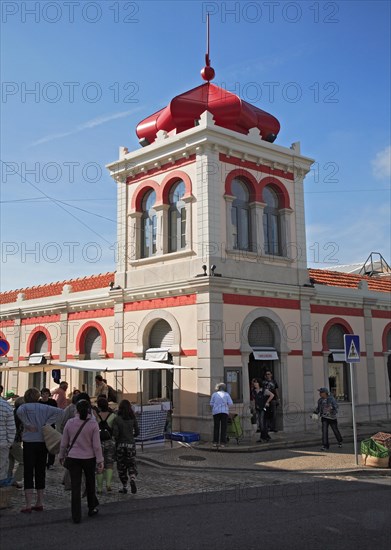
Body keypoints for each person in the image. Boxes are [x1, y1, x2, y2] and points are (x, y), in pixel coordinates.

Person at [16, 387, 63, 513]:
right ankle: (40, 502)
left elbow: (18, 412)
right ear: (38, 396)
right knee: (40, 471)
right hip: (42, 442)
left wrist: (27, 424)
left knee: (28, 471)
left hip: (29, 442)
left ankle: (28, 504)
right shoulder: (45, 407)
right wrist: (47, 423)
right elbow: (60, 412)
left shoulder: (24, 408)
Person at [59, 399, 104, 524]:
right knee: (90, 483)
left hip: (73, 458)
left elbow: (64, 443)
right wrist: (100, 460)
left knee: (75, 487)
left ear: (76, 410)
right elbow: (96, 445)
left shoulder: (70, 422)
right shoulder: (93, 424)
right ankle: (91, 508)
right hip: (89, 458)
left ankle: (76, 515)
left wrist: (61, 455)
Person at [112, 399, 139, 494]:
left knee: (121, 467)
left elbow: (115, 434)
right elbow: (137, 431)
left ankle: (124, 486)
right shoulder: (133, 418)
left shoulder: (117, 419)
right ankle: (132, 477)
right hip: (131, 445)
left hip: (120, 445)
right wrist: (132, 436)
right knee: (131, 463)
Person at [92, 397, 116, 494]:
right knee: (109, 463)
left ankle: (99, 488)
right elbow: (115, 430)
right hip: (109, 441)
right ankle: (109, 484)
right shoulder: (113, 416)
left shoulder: (96, 416)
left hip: (98, 442)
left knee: (99, 465)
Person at [39, 388, 58, 470]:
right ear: (41, 394)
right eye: (43, 393)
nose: (45, 395)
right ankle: (42, 462)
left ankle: (50, 463)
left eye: (46, 393)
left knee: (51, 444)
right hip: (41, 425)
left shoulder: (52, 402)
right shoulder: (38, 403)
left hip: (51, 425)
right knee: (42, 444)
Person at [8, 396, 24, 488]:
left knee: (10, 461)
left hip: (9, 440)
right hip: (15, 441)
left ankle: (8, 478)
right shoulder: (20, 415)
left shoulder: (13, 412)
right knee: (23, 461)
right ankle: (16, 480)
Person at [210, 383, 233, 448]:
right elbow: (231, 403)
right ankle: (223, 443)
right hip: (224, 412)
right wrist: (226, 405)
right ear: (224, 388)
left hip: (216, 412)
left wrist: (215, 406)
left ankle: (215, 442)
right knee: (224, 427)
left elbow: (211, 403)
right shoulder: (226, 394)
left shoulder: (214, 394)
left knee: (216, 427)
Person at [0, 396, 16, 483]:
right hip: (2, 442)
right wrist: (9, 443)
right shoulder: (6, 406)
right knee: (2, 468)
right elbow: (11, 428)